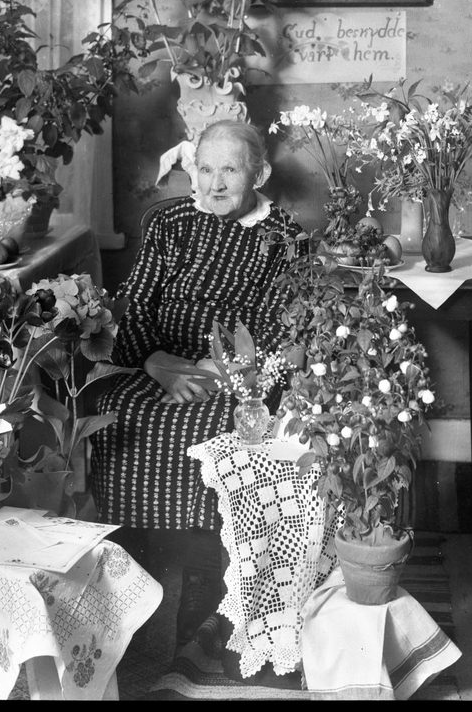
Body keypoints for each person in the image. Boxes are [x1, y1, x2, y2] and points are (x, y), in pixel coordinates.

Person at [91, 120, 308, 650]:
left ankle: (204, 585)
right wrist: (156, 363)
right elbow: (136, 301)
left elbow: (280, 326)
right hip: (159, 362)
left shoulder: (284, 236)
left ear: (259, 173)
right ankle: (128, 580)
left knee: (210, 426)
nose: (215, 183)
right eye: (206, 169)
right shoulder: (170, 222)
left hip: (233, 373)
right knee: (118, 410)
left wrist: (217, 372)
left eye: (229, 170)